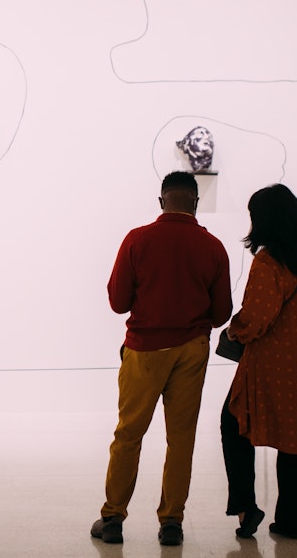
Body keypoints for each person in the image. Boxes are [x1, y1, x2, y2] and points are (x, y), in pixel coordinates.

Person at [91, 171, 232, 546]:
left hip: (144, 351)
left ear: (161, 200)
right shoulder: (213, 247)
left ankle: (113, 518)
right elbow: (221, 314)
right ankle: (171, 522)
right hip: (191, 350)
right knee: (181, 438)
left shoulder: (137, 240)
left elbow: (118, 302)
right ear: (196, 203)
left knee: (128, 435)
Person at [220, 183, 297, 540]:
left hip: (275, 364)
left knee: (233, 423)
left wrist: (232, 330)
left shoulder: (269, 262)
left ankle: (246, 507)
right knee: (296, 444)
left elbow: (257, 317)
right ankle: (293, 522)